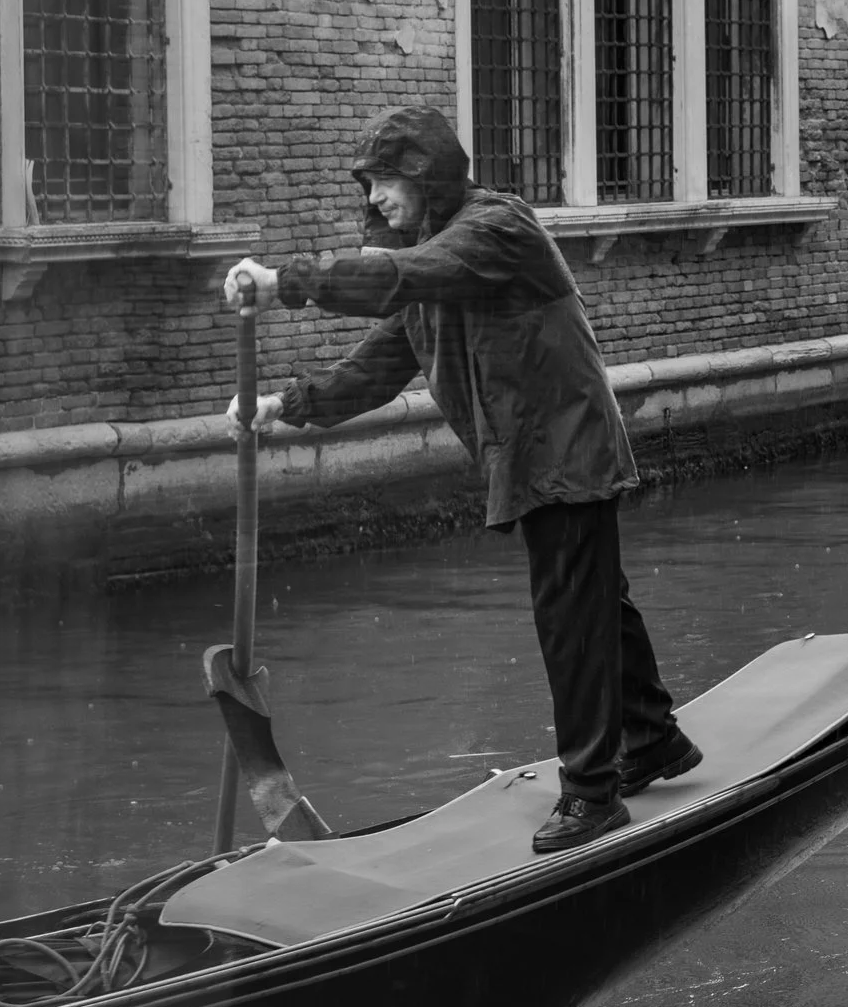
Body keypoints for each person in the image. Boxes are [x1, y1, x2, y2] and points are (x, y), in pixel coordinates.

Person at [223, 108, 701, 853]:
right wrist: (285, 406)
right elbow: (381, 363)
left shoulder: (495, 229)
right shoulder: (435, 265)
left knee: (572, 621)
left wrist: (287, 280)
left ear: (425, 175)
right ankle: (652, 739)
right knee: (596, 602)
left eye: (385, 180)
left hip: (562, 448)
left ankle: (592, 794)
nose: (374, 197)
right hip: (531, 453)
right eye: (367, 185)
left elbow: (401, 276)